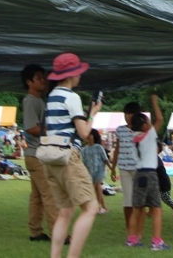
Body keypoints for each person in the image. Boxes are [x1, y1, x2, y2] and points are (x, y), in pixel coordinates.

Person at [42, 52, 103, 258]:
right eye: (78, 73)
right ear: (70, 75)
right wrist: (93, 114)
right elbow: (86, 134)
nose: (80, 76)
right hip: (69, 157)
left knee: (65, 211)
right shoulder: (72, 97)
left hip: (51, 159)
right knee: (91, 207)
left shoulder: (52, 97)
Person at [21, 63, 60, 243]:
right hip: (37, 154)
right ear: (29, 82)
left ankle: (35, 231)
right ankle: (57, 234)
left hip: (34, 154)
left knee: (37, 197)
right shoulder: (30, 101)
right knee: (49, 194)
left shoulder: (38, 101)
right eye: (39, 78)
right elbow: (31, 128)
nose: (43, 81)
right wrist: (52, 130)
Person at [127, 94, 171, 250]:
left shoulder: (132, 137)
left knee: (137, 208)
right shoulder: (150, 134)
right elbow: (159, 119)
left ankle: (132, 239)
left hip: (138, 175)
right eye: (147, 122)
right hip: (150, 174)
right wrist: (154, 101)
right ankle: (157, 242)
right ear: (145, 126)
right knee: (157, 208)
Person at [110, 101, 142, 239]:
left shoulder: (142, 130)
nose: (127, 116)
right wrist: (112, 167)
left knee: (139, 201)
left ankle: (138, 230)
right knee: (127, 201)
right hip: (123, 167)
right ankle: (129, 230)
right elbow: (117, 148)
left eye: (130, 113)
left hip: (138, 168)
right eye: (126, 113)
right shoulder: (120, 130)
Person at [81, 129, 111, 214]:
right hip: (90, 172)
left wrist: (112, 169)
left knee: (97, 186)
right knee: (96, 189)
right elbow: (83, 162)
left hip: (99, 171)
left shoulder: (99, 147)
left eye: (90, 134)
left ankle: (97, 206)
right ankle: (103, 207)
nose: (88, 136)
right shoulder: (84, 150)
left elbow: (105, 159)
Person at [156, 142, 173, 217]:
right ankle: (152, 211)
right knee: (155, 197)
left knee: (166, 198)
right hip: (158, 182)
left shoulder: (156, 159)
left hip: (163, 182)